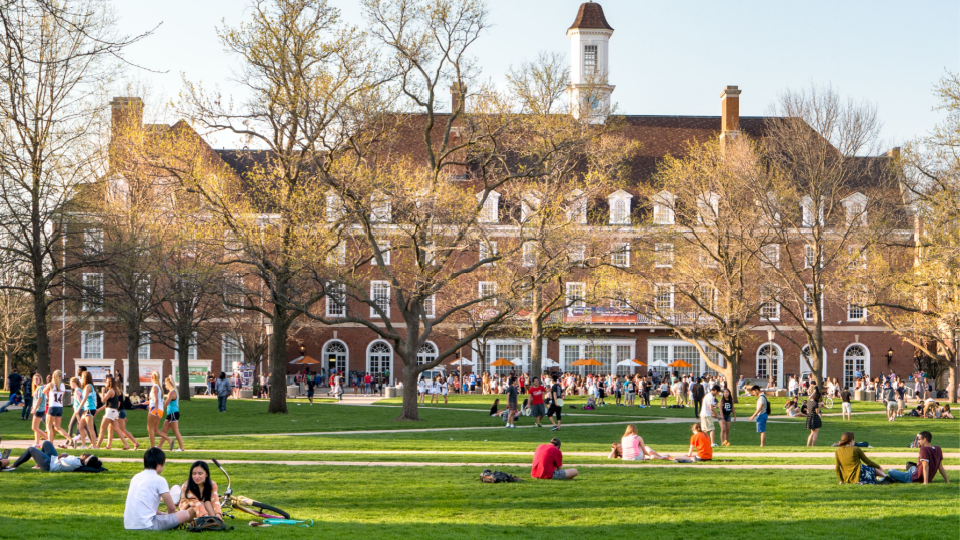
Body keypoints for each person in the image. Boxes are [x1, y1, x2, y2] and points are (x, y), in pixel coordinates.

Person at [124, 447, 197, 530]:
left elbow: (146, 508)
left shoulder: (135, 477)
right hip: (148, 525)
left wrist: (162, 514)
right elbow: (172, 508)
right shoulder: (159, 480)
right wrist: (172, 517)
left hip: (128, 524)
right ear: (159, 465)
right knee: (185, 514)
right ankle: (174, 526)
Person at [1, 440, 101, 472]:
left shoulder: (74, 462)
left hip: (49, 464)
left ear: (85, 460)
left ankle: (13, 465)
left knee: (31, 449)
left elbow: (61, 460)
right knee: (46, 443)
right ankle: (37, 465)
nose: (84, 453)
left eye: (86, 455)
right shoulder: (79, 461)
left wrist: (62, 456)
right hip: (53, 459)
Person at [158, 375, 185, 452]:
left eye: (165, 384)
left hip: (173, 413)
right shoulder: (172, 392)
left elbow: (166, 404)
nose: (165, 386)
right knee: (164, 430)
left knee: (175, 431)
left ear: (168, 383)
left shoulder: (172, 392)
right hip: (170, 413)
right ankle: (159, 447)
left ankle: (181, 447)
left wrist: (158, 410)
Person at [147, 371, 172, 449]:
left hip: (155, 409)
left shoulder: (154, 387)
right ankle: (169, 440)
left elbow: (156, 400)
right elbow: (158, 400)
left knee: (150, 428)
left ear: (152, 377)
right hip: (160, 409)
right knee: (155, 429)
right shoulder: (160, 388)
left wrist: (156, 412)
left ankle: (152, 447)